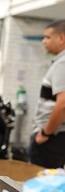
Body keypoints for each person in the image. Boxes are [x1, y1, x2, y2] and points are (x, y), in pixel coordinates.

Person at [28, 19, 65, 169]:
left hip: (52, 138)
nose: (44, 41)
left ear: (61, 38)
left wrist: (45, 133)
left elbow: (62, 104)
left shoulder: (63, 63)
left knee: (43, 182)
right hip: (55, 137)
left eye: (48, 37)